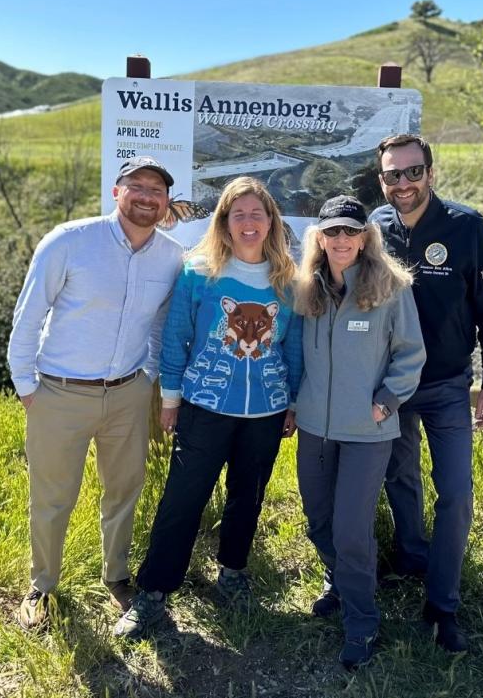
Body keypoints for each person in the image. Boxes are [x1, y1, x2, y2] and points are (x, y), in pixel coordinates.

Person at [114, 176, 303, 639]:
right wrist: (172, 399)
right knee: (183, 498)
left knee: (248, 496)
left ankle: (233, 572)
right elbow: (177, 337)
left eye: (257, 214)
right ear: (224, 222)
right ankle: (154, 593)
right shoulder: (199, 272)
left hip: (265, 410)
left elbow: (294, 348)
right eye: (237, 214)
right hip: (204, 406)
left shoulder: (288, 281)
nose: (248, 223)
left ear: (271, 222)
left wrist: (293, 401)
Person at [7, 156, 184, 629]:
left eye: (157, 189)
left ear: (167, 201)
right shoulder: (69, 241)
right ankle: (41, 586)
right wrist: (27, 387)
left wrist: (148, 375)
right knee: (52, 496)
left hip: (128, 393)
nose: (147, 196)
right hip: (58, 393)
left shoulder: (171, 256)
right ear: (116, 192)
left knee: (124, 489)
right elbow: (28, 316)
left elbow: (161, 324)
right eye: (137, 186)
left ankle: (117, 577)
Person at [370, 134, 483, 652]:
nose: (403, 183)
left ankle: (443, 603)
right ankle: (411, 556)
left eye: (413, 172)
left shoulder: (466, 226)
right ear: (380, 178)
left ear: (430, 172)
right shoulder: (373, 229)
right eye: (393, 175)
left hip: (448, 384)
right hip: (390, 385)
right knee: (399, 476)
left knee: (455, 491)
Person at [292, 195, 425, 670]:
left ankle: (362, 620)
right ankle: (340, 579)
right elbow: (295, 352)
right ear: (320, 238)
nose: (342, 240)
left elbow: (411, 353)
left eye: (351, 231)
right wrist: (292, 403)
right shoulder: (307, 287)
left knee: (352, 529)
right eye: (333, 232)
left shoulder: (390, 287)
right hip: (314, 427)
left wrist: (388, 399)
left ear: (365, 237)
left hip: (368, 432)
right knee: (318, 519)